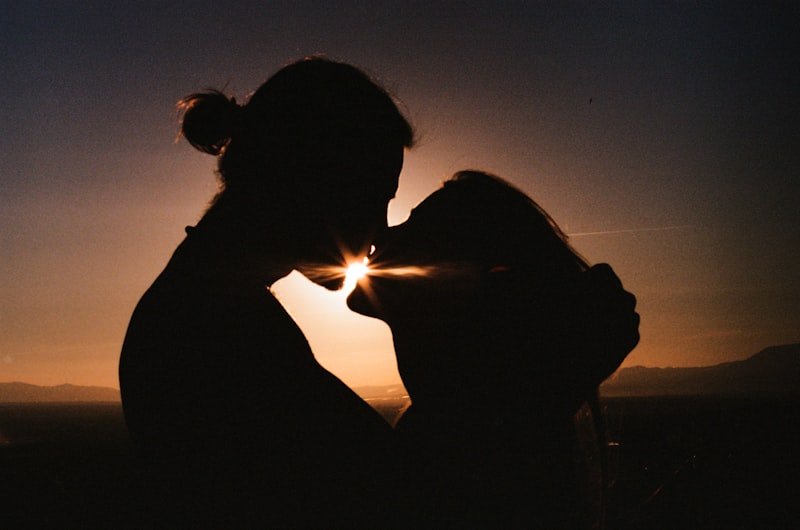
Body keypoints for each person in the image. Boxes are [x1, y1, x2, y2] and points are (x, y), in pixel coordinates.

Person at [118, 57, 414, 527]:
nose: (379, 231)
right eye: (374, 196)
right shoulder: (214, 330)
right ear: (310, 178)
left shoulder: (205, 306)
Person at [348, 171, 639, 528]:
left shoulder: (448, 455)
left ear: (455, 278)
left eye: (415, 225)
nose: (382, 233)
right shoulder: (470, 434)